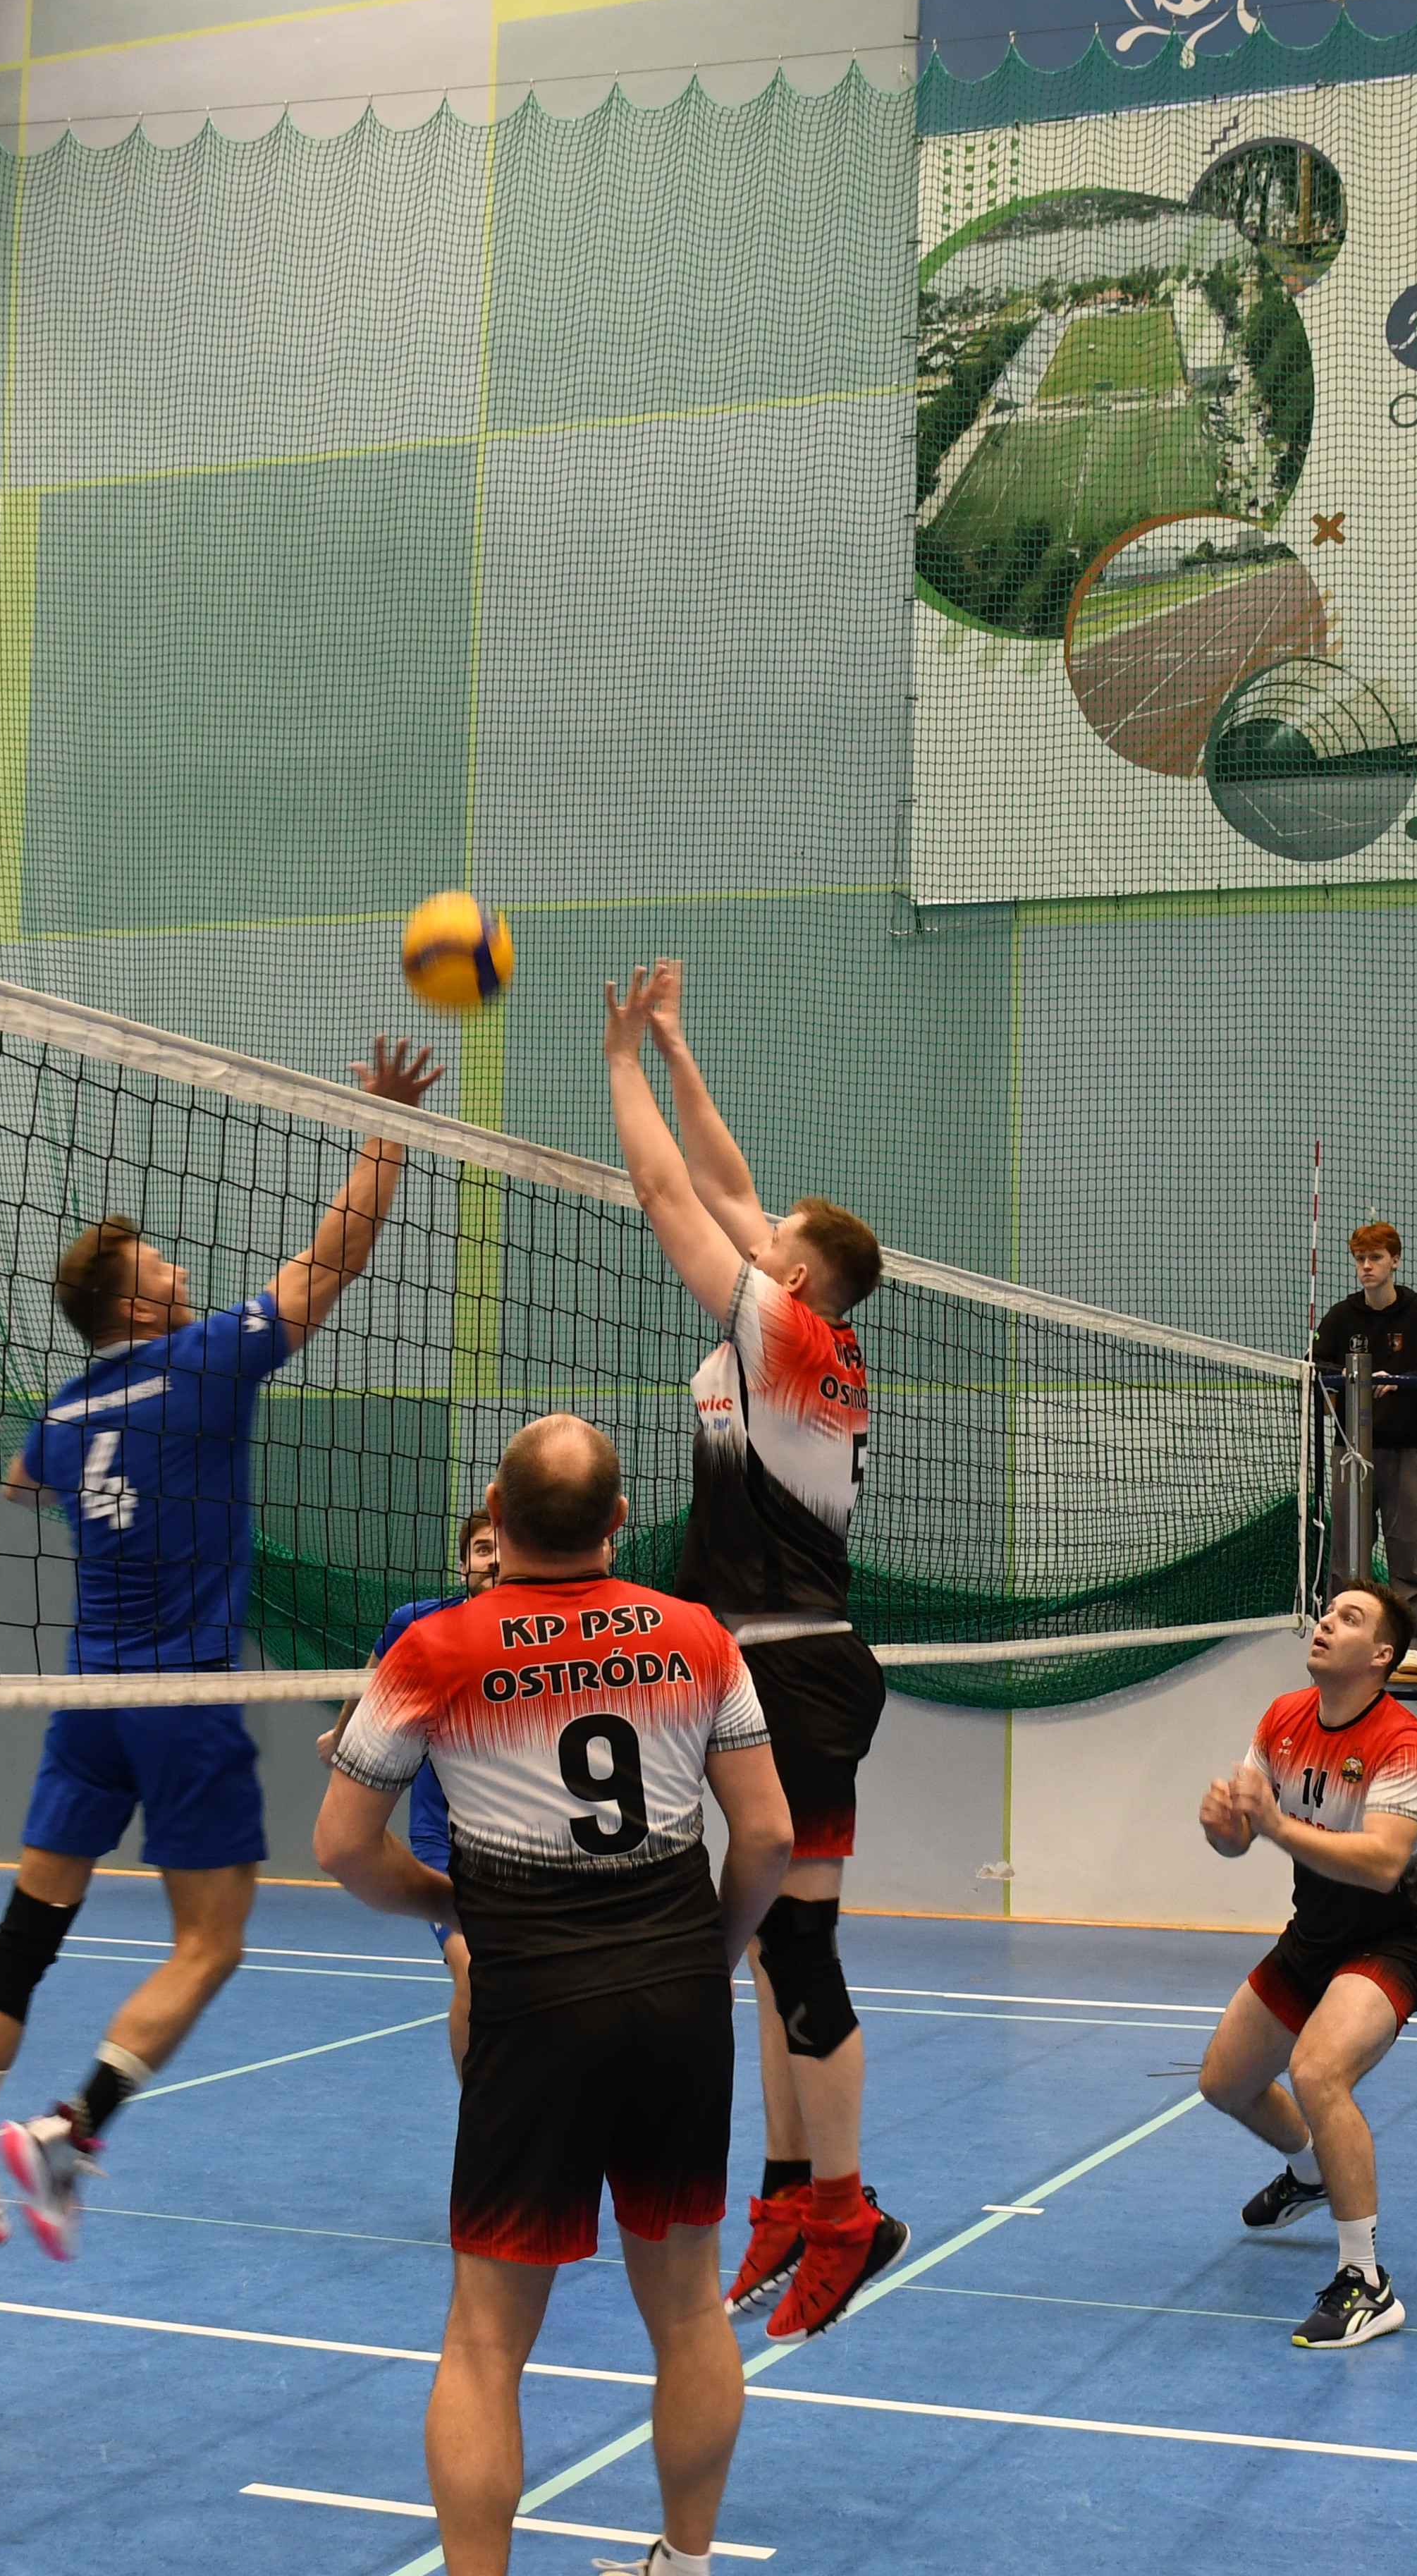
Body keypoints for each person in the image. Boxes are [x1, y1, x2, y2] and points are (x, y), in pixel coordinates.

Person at [0, 1034, 441, 2257]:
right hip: (184, 1696)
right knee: (211, 1942)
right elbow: (334, 1260)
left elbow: (22, 1477)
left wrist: (72, 1480)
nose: (185, 1270)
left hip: (87, 1700)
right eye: (165, 1265)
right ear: (138, 1308)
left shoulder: (61, 1413)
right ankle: (69, 2132)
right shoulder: (203, 1362)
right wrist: (391, 1127)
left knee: (29, 1928)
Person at [315, 1414, 792, 2576]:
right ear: (620, 1521)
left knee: (487, 2339)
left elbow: (341, 1847)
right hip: (677, 1999)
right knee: (688, 2307)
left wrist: (456, 1901)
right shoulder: (697, 1635)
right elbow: (771, 1834)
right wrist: (710, 1953)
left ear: (495, 1514)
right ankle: (685, 2564)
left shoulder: (430, 1649)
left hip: (532, 2005)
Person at [601, 959, 905, 2341]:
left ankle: (848, 2211)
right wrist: (677, 1045)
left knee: (804, 1947)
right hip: (749, 1664)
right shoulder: (798, 1319)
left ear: (791, 1277)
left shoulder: (783, 1336)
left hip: (795, 1663)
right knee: (775, 1952)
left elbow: (673, 1195)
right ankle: (788, 2192)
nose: (755, 1223)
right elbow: (727, 1182)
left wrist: (617, 1061)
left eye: (773, 1234)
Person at [1196, 1580, 1417, 2350]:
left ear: (1382, 1656)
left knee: (1319, 2071)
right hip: (1315, 1935)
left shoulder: (1404, 1740)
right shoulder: (1283, 1718)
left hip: (1391, 1940)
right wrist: (1225, 1829)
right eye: (1329, 1612)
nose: (1327, 1622)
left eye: (1349, 1618)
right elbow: (1241, 1837)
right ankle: (1310, 2171)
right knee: (1225, 2083)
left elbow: (1382, 1863)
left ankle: (1366, 2282)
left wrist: (1271, 1826)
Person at [317, 1496, 504, 2070]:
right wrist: (343, 1735)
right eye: (481, 1549)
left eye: (502, 1547)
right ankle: (478, 2107)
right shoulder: (416, 1622)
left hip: (525, 1841)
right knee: (474, 1968)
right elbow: (370, 1679)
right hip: (443, 1844)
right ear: (463, 1565)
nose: (493, 1560)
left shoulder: (542, 1627)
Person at [1311, 1223, 1417, 1613]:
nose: (1367, 1267)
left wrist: (1401, 1382)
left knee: (1409, 1555)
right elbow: (1312, 1363)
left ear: (1395, 1261)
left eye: (1376, 1258)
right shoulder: (1342, 1315)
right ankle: (1345, 1633)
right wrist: (1351, 1377)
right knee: (1347, 1558)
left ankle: (1413, 1643)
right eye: (1360, 1259)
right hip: (1351, 1454)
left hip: (1404, 1451)